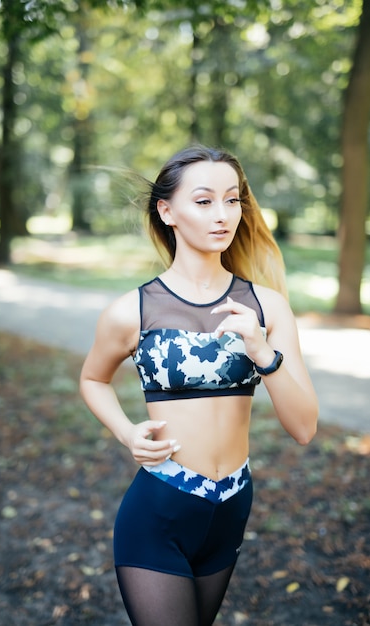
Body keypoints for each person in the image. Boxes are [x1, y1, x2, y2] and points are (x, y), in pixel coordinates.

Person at [80, 145, 319, 626]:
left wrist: (263, 352)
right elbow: (92, 379)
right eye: (205, 201)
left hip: (232, 508)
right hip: (159, 511)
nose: (223, 214)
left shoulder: (267, 307)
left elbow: (305, 428)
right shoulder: (133, 310)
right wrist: (128, 433)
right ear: (167, 211)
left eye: (233, 201)